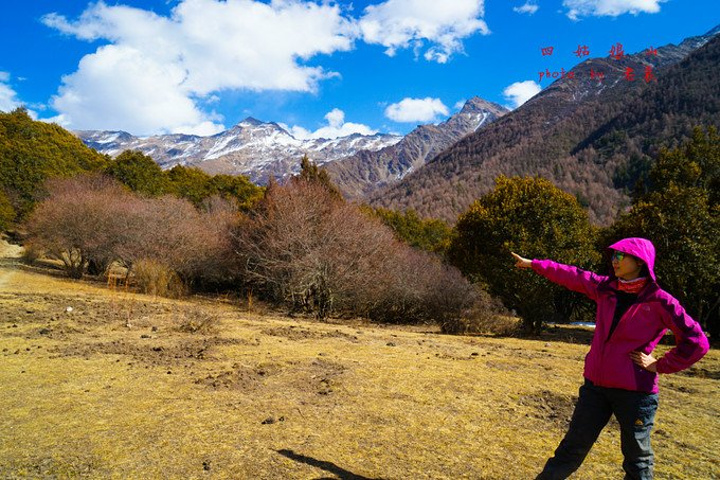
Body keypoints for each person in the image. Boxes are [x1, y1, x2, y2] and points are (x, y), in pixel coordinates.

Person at [511, 237, 709, 480]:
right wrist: (534, 264)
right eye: (613, 256)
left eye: (620, 256)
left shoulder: (660, 300)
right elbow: (572, 275)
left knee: (637, 461)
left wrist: (660, 364)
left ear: (639, 261)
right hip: (595, 388)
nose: (613, 261)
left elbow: (697, 341)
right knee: (570, 450)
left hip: (636, 393)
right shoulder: (605, 288)